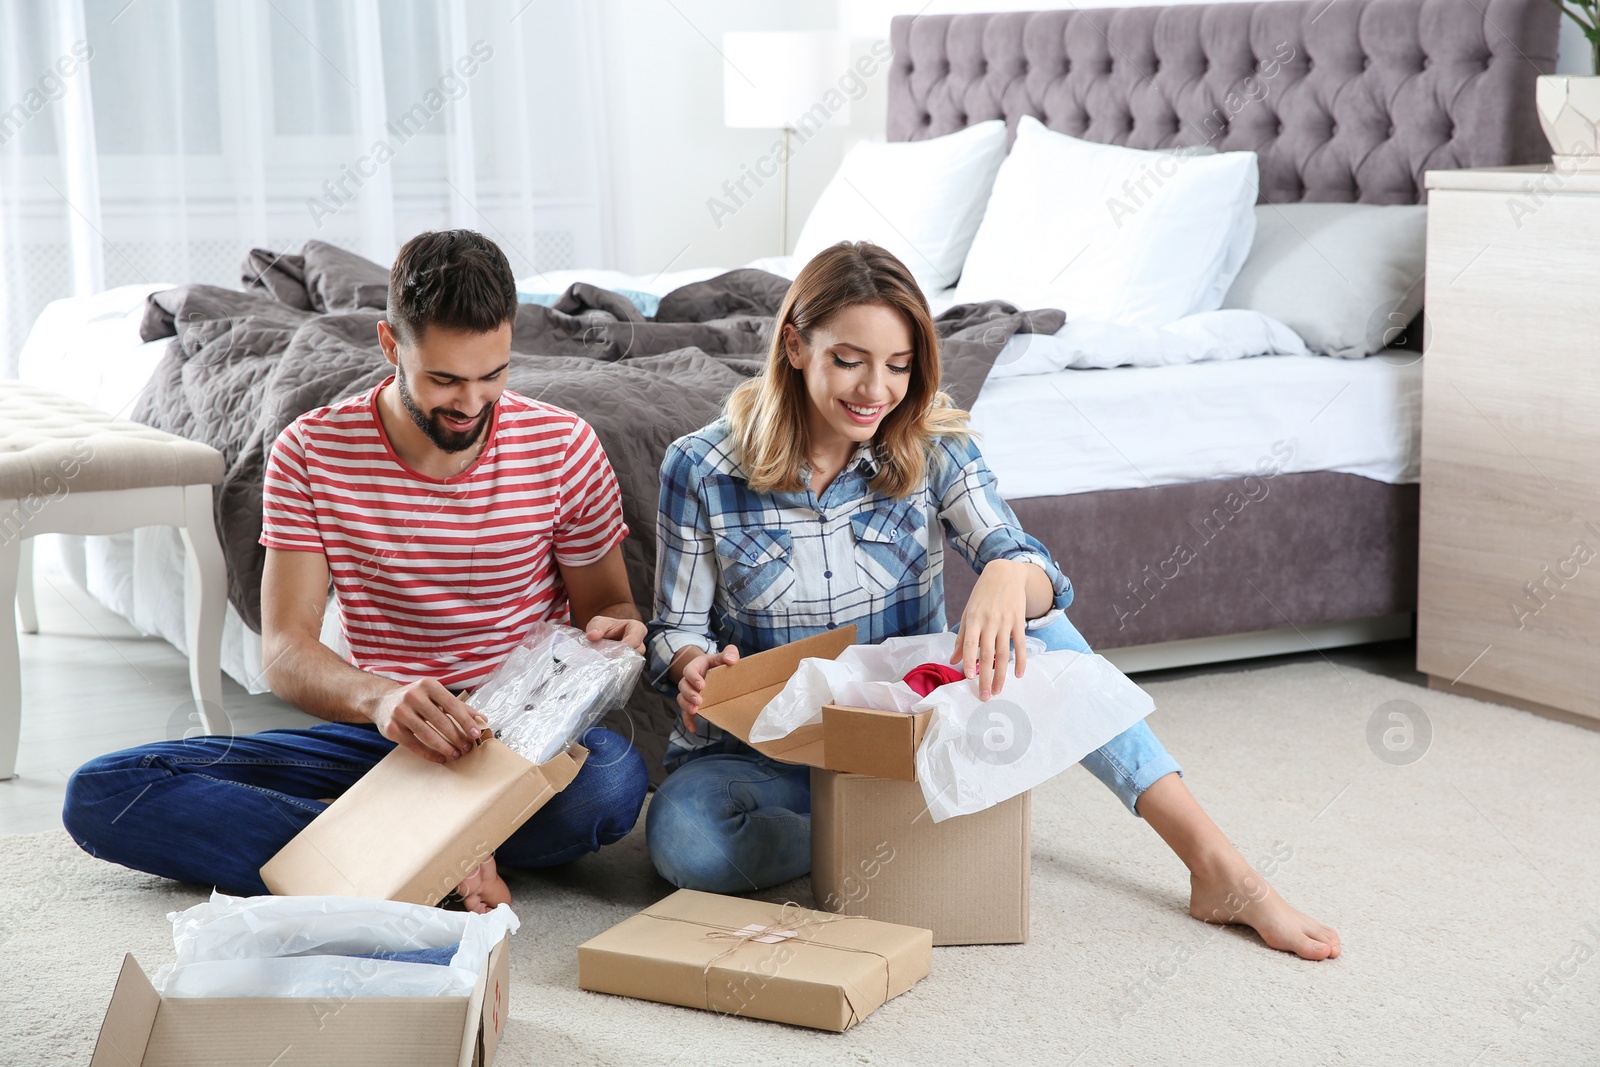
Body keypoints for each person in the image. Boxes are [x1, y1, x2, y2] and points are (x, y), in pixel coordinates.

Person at [644, 241, 1341, 960]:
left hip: (904, 733)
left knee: (1047, 630)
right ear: (795, 344)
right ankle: (893, 829)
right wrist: (693, 662)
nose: (874, 390)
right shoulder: (702, 466)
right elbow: (674, 629)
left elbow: (1031, 570)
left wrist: (1009, 572)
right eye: (849, 359)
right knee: (685, 842)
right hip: (768, 748)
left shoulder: (931, 441)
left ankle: (1219, 866)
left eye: (898, 364)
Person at [63, 230, 649, 910]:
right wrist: (382, 699)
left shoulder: (564, 445)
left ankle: (369, 857)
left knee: (610, 783)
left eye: (494, 374)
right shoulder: (311, 451)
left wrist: (617, 632)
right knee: (104, 791)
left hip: (518, 740)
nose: (472, 404)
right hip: (381, 735)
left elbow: (611, 608)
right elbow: (285, 652)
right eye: (445, 379)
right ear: (391, 345)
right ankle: (434, 859)